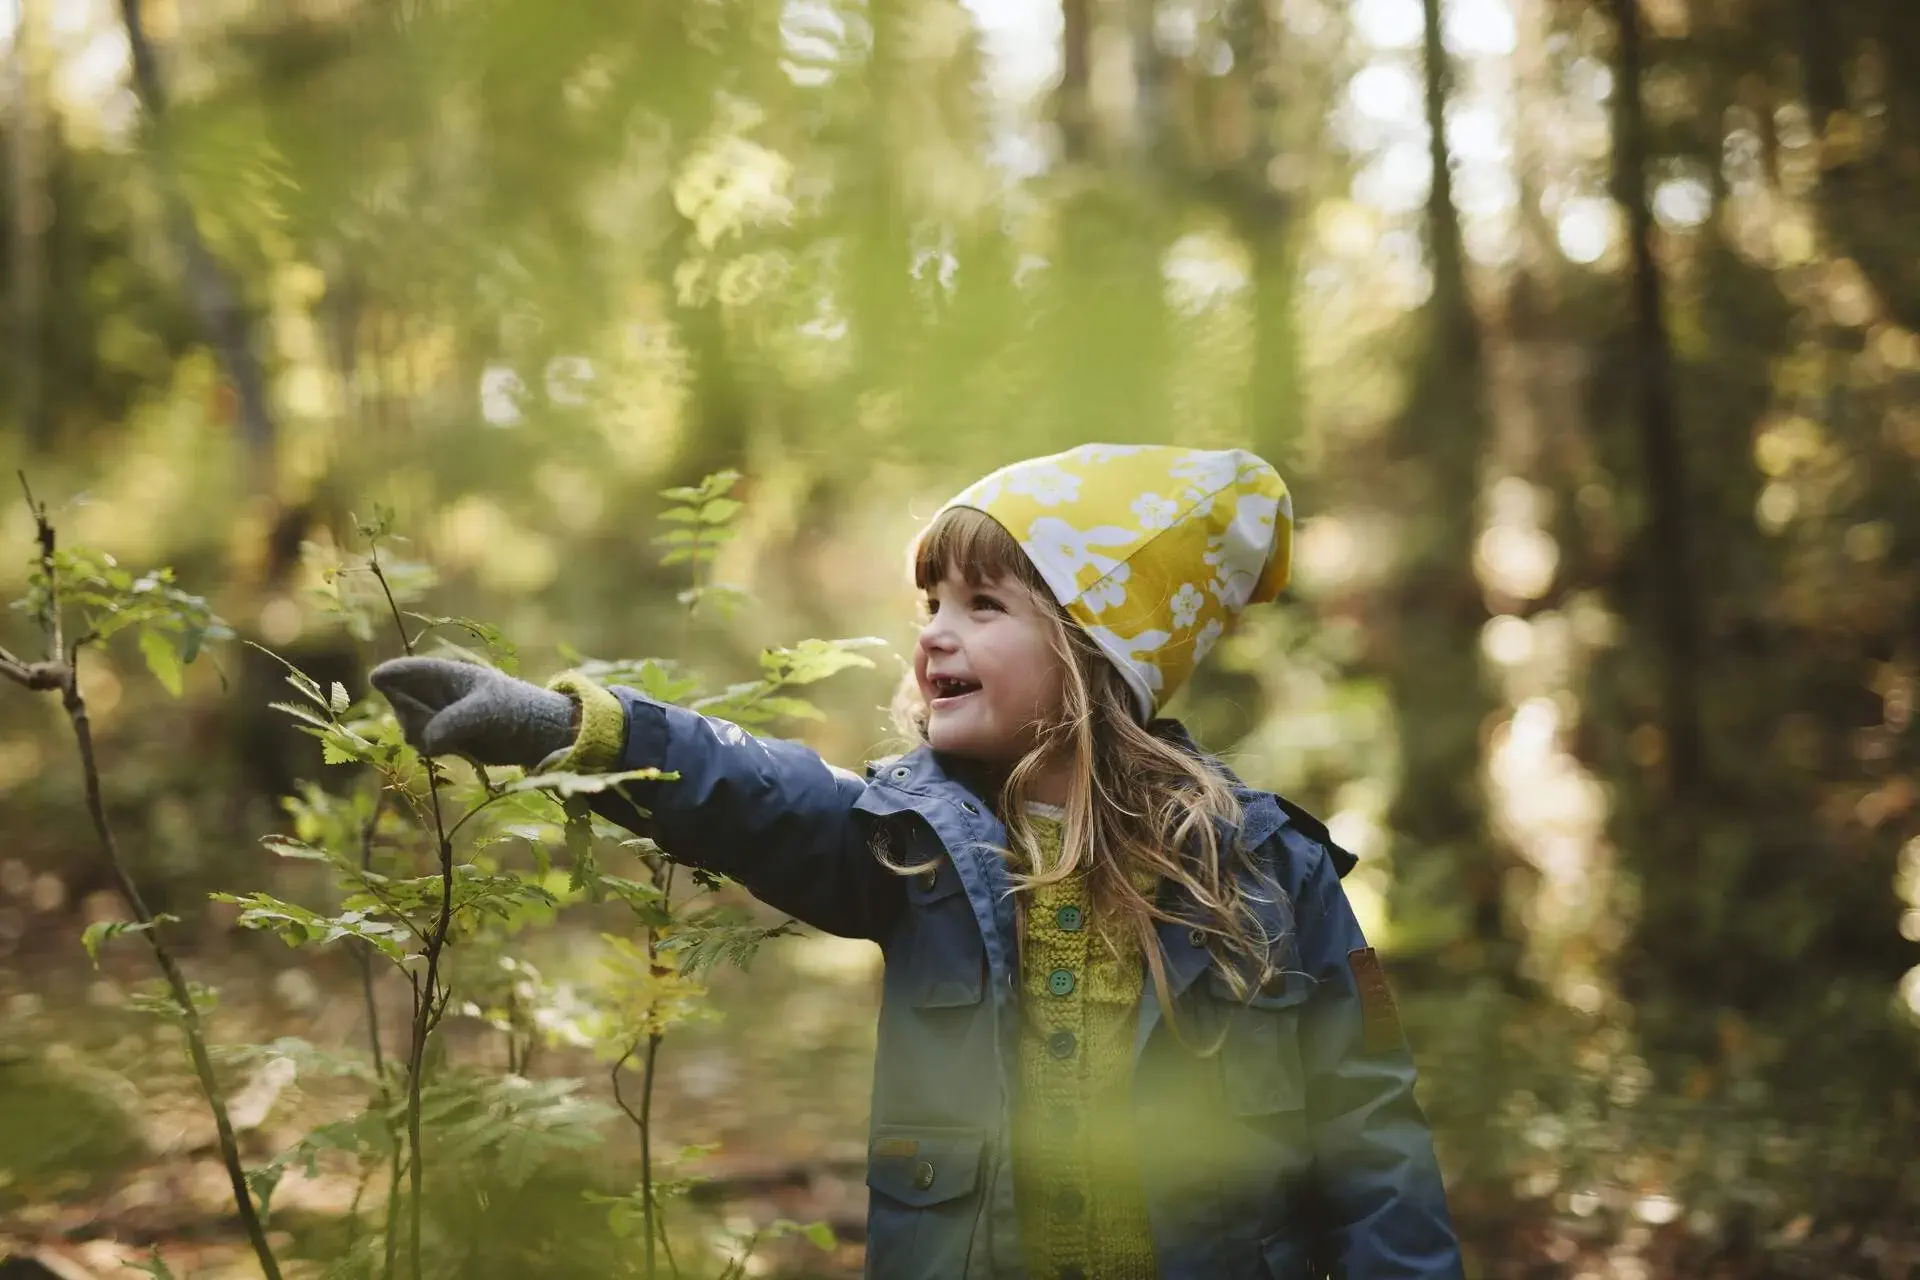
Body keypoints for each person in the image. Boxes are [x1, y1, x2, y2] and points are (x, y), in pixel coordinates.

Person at [371, 444, 1464, 1280]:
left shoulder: (1265, 870)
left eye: (984, 605)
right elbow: (756, 794)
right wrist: (570, 726)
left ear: (1093, 655)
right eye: (932, 603)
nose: (935, 632)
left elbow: (1373, 1142)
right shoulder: (918, 842)